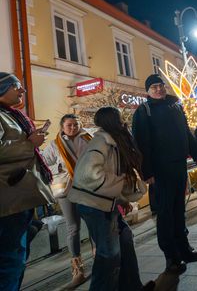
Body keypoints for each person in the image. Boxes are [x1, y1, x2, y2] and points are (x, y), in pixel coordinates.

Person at [68, 107, 152, 291]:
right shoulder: (101, 142)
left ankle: (132, 287)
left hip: (105, 203)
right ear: (112, 121)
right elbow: (89, 174)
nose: (123, 121)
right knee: (108, 254)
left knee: (125, 240)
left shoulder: (113, 141)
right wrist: (121, 182)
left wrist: (122, 199)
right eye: (120, 117)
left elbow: (110, 174)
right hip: (94, 205)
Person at [132, 74, 197, 274]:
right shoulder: (143, 111)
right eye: (154, 87)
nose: (158, 89)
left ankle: (184, 248)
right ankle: (171, 257)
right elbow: (141, 144)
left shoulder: (175, 106)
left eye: (160, 85)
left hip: (179, 165)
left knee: (179, 209)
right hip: (160, 170)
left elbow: (186, 131)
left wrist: (196, 152)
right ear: (148, 91)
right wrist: (146, 171)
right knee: (165, 213)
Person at [0, 72, 55, 291]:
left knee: (17, 258)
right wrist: (29, 143)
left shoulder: (10, 114)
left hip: (19, 197)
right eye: (16, 86)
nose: (22, 90)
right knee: (10, 262)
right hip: (9, 201)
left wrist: (31, 140)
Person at [42, 114, 92, 287]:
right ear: (62, 127)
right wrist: (60, 167)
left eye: (75, 124)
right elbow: (44, 165)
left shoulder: (87, 138)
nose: (73, 128)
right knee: (73, 227)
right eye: (69, 125)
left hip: (87, 187)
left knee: (93, 223)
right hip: (67, 190)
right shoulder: (55, 144)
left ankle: (101, 259)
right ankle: (78, 270)